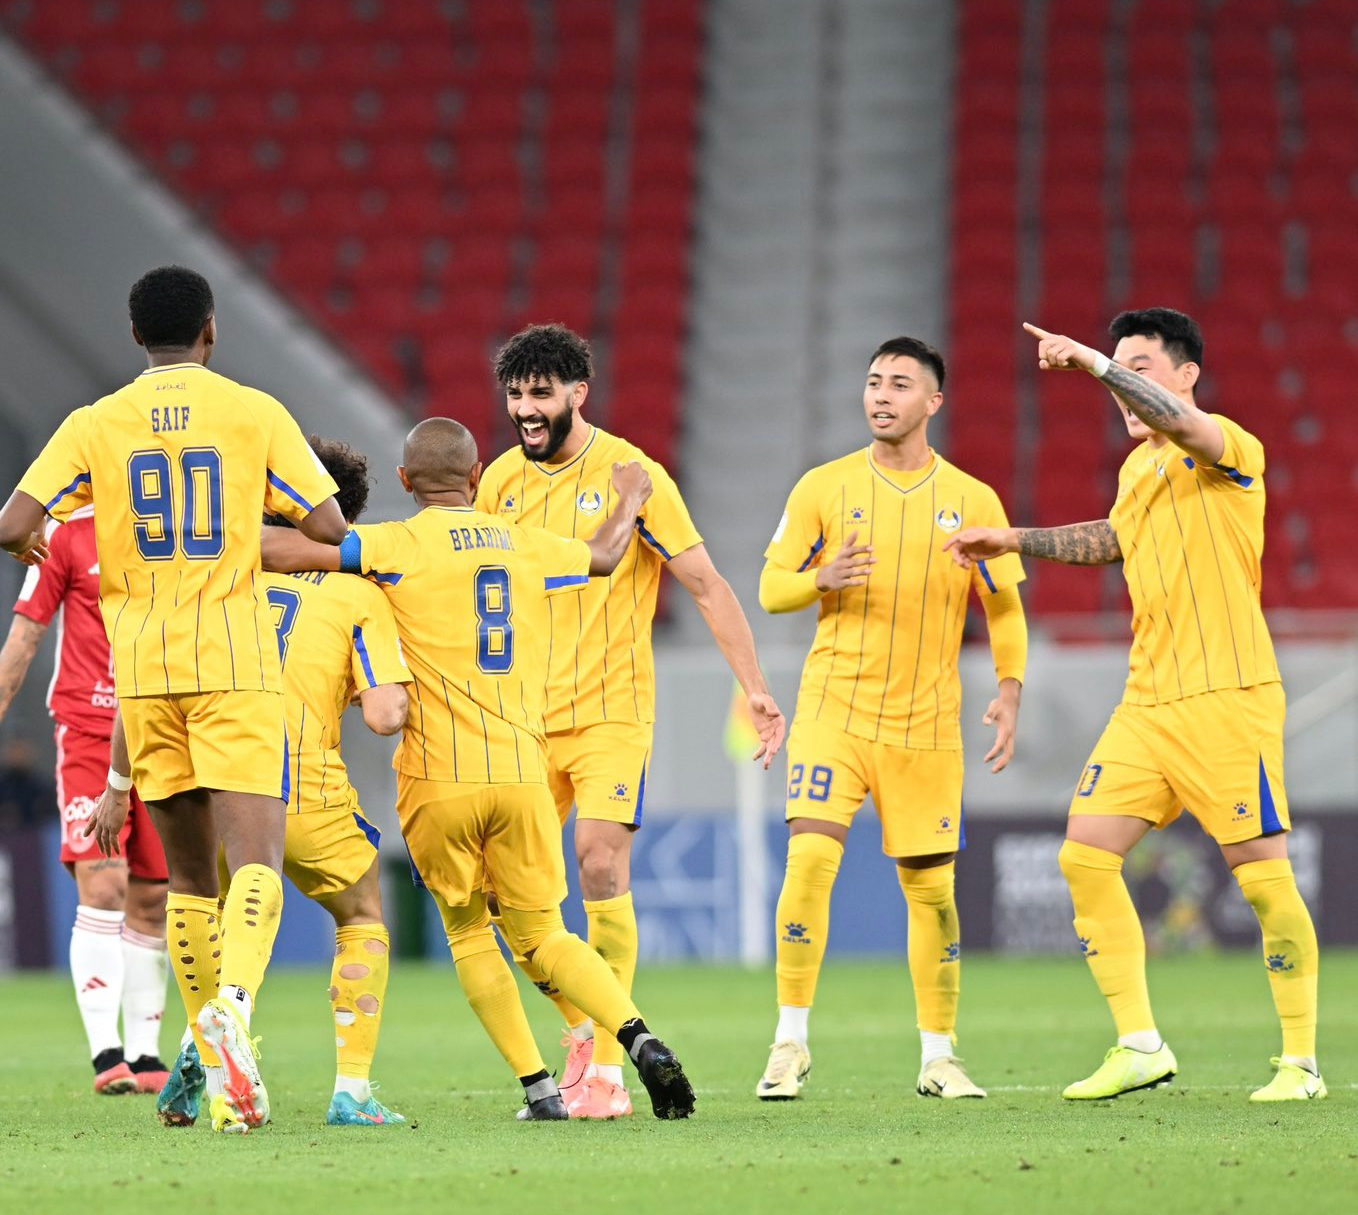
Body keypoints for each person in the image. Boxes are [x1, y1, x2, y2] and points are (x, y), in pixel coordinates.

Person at [261, 417, 696, 1121]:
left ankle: (539, 1088)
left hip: (438, 778)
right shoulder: (523, 541)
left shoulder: (393, 544)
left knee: (469, 932)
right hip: (523, 770)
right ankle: (637, 1038)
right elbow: (606, 555)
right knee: (547, 933)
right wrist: (629, 498)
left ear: (404, 481)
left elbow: (286, 549)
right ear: (476, 476)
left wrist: (220, 535)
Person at [0, 265, 347, 1134]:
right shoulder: (254, 411)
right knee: (255, 861)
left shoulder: (95, 422)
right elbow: (328, 527)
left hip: (145, 673)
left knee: (186, 879)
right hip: (234, 659)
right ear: (211, 330)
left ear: (133, 335)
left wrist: (31, 546)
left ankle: (211, 1072)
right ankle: (232, 1008)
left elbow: (11, 523)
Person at [945, 309, 1322, 1102]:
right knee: (1084, 854)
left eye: (1141, 367)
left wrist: (1091, 362)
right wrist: (1014, 539)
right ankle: (1140, 1044)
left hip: (1228, 696)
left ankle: (1301, 1063)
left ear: (1187, 374)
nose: (1125, 387)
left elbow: (1183, 425)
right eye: (1121, 370)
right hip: (1148, 702)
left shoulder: (1229, 445)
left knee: (1262, 877)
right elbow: (1114, 539)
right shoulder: (1136, 471)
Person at [476, 324, 784, 1118]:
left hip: (611, 712)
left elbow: (707, 584)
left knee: (598, 863)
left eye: (541, 392)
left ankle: (608, 1073)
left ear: (578, 393)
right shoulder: (499, 481)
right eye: (515, 394)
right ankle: (586, 1026)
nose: (525, 408)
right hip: (522, 717)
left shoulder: (633, 475)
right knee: (503, 895)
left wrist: (753, 686)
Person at [755, 336, 1027, 1102]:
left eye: (900, 384)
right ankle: (789, 1043)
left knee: (932, 894)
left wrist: (1010, 688)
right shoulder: (824, 485)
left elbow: (1005, 605)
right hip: (834, 711)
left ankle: (939, 1055)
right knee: (809, 863)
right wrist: (821, 577)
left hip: (927, 724)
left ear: (933, 401)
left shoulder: (974, 499)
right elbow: (771, 588)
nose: (881, 394)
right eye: (874, 381)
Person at [123, 437, 412, 1128]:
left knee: (208, 906)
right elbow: (385, 715)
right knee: (362, 911)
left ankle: (199, 1047)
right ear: (344, 516)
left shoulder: (218, 577)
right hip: (301, 786)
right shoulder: (357, 592)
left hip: (210, 779)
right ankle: (352, 1091)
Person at [0, 506, 170, 1095]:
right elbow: (25, 635)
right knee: (104, 884)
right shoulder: (65, 534)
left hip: (164, 731)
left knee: (154, 896)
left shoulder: (173, 524)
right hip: (90, 731)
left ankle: (146, 1055)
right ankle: (106, 1054)